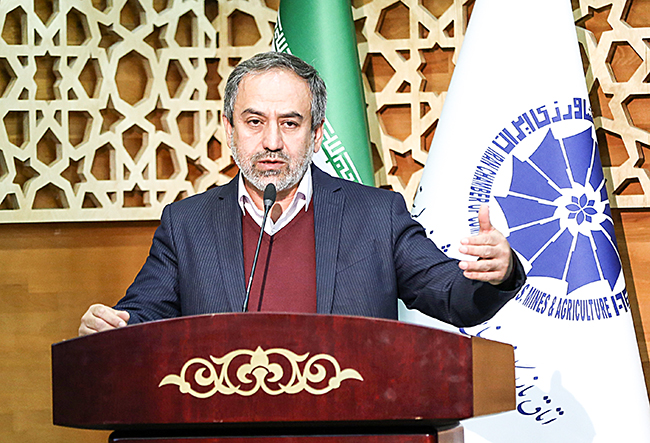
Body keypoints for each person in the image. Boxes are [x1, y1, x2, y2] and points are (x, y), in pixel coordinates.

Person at [79, 52, 525, 336]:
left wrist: (498, 273)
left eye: (290, 123)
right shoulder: (187, 225)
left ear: (316, 135)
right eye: (255, 122)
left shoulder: (377, 216)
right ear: (229, 130)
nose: (272, 141)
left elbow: (451, 296)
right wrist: (107, 327)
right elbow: (138, 319)